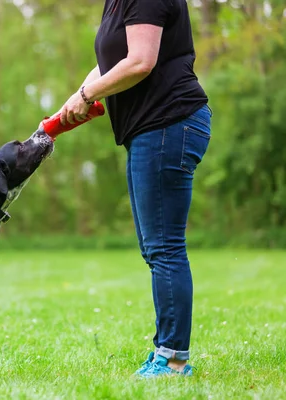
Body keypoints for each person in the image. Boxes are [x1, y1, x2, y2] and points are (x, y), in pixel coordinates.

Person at [58, 0, 211, 377]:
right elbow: (115, 58)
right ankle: (167, 352)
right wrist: (81, 91)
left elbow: (141, 60)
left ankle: (173, 360)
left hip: (168, 124)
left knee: (165, 247)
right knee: (155, 248)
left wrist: (87, 94)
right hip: (150, 130)